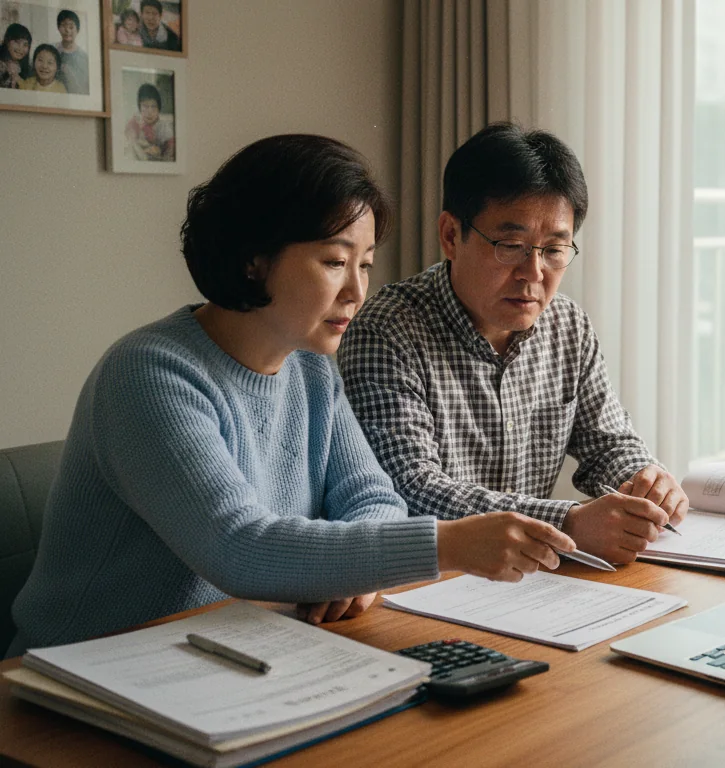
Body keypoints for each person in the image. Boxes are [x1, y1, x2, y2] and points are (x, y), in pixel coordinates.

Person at [7, 134, 580, 656]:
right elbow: (241, 548)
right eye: (334, 262)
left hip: (232, 654)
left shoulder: (309, 368)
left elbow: (374, 501)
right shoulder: (149, 375)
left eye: (366, 264)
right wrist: (447, 544)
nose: (357, 291)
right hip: (83, 676)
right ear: (254, 259)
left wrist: (350, 575)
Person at [339, 123, 686, 566]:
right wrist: (568, 524)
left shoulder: (567, 325)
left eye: (555, 249)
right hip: (433, 583)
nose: (534, 273)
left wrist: (644, 480)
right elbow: (411, 490)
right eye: (511, 245)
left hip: (528, 582)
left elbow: (608, 444)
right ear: (450, 236)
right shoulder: (387, 330)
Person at [124, 82, 174, 161]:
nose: (149, 112)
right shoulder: (136, 122)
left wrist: (161, 150)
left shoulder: (163, 127)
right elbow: (130, 139)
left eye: (153, 106)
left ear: (159, 109)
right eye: (145, 106)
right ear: (140, 107)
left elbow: (171, 147)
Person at [54, 9, 88, 95]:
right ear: (58, 28)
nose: (67, 30)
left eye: (71, 27)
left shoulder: (84, 57)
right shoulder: (52, 50)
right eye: (63, 26)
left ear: (78, 30)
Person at [0, 23, 32, 89]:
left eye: (25, 45)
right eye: (17, 42)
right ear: (7, 41)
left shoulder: (28, 69)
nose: (21, 48)